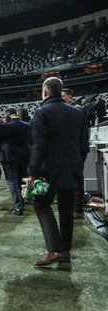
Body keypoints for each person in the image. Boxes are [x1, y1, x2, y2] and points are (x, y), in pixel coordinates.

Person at [28, 77, 86, 266]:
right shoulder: (78, 112)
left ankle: (55, 249)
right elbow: (83, 146)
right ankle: (65, 250)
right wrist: (77, 164)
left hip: (50, 170)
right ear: (60, 92)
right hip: (73, 168)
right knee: (66, 209)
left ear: (45, 93)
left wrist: (33, 172)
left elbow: (39, 146)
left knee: (40, 204)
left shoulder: (41, 112)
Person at [0, 108, 31, 215]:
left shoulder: (3, 126)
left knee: (12, 181)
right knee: (22, 180)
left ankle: (18, 206)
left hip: (8, 157)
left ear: (7, 116)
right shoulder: (27, 125)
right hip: (24, 156)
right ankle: (23, 202)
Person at [61, 88, 90, 217]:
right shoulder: (78, 109)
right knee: (74, 176)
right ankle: (76, 205)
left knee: (76, 177)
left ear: (69, 97)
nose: (61, 99)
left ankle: (77, 208)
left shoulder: (77, 109)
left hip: (78, 149)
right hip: (78, 148)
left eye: (62, 96)